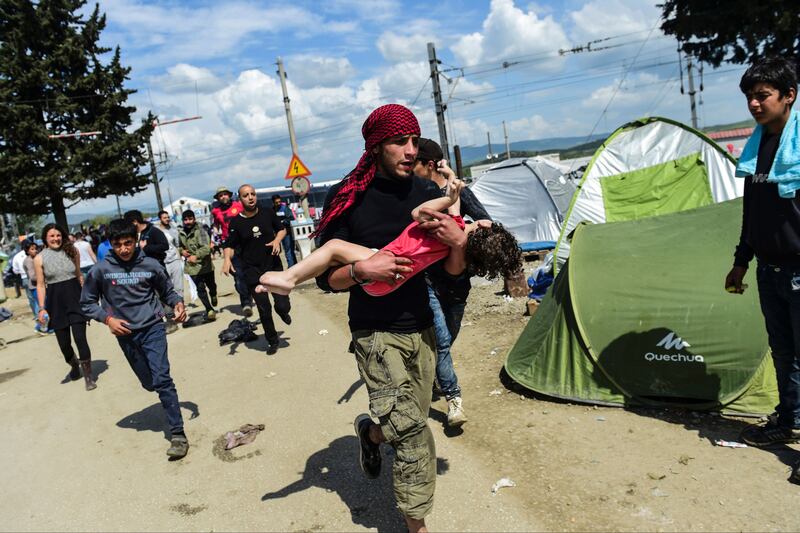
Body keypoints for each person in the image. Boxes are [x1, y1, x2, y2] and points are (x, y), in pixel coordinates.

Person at [314, 104, 469, 533]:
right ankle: (416, 526)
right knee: (414, 434)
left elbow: (450, 273)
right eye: (400, 141)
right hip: (374, 332)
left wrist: (458, 244)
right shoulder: (348, 197)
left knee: (403, 422)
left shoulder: (424, 193)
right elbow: (327, 279)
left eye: (414, 141)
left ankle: (371, 435)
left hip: (421, 328)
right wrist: (364, 270)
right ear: (376, 146)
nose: (410, 149)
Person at [258, 170, 519, 299]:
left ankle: (289, 278)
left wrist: (449, 198)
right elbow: (456, 212)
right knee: (334, 257)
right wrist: (451, 184)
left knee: (334, 247)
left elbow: (419, 213)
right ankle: (277, 283)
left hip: (386, 262)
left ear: (484, 226)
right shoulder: (455, 237)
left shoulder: (447, 229)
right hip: (390, 280)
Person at [725, 57, 800, 448]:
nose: (754, 104)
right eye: (749, 97)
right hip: (770, 270)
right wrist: (741, 261)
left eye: (762, 95)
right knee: (783, 353)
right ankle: (789, 421)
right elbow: (751, 212)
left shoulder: (797, 146)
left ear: (789, 95)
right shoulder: (758, 147)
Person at [80, 219, 189, 459]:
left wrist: (178, 304)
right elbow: (86, 303)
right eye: (118, 244)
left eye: (128, 243)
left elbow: (168, 292)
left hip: (153, 328)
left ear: (136, 240)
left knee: (162, 379)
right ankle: (156, 388)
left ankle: (178, 434)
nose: (124, 249)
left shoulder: (150, 265)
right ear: (110, 244)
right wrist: (108, 319)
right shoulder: (101, 270)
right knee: (149, 383)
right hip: (126, 334)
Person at [414, 138, 495, 428]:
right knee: (443, 340)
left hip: (458, 280)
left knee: (448, 335)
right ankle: (454, 400)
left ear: (430, 165)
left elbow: (487, 223)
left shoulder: (458, 192)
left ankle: (436, 375)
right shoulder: (417, 195)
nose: (409, 167)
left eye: (415, 163)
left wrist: (467, 230)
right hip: (427, 280)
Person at [222, 185, 291, 355]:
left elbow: (282, 230)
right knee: (264, 309)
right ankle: (272, 341)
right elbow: (230, 244)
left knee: (282, 304)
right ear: (240, 199)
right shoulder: (236, 222)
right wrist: (227, 259)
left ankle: (282, 311)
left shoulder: (268, 213)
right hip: (252, 270)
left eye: (252, 194)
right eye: (246, 195)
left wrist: (277, 240)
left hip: (273, 265)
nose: (250, 197)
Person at [34, 224, 97, 391]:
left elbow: (79, 275)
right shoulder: (39, 258)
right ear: (45, 238)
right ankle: (73, 363)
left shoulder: (72, 251)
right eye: (52, 236)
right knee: (64, 344)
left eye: (58, 235)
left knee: (80, 338)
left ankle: (88, 376)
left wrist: (87, 296)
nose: (56, 239)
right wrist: (42, 308)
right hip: (55, 304)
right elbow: (40, 285)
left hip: (75, 299)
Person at [124, 210, 178, 334]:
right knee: (153, 299)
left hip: (157, 271)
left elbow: (164, 246)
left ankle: (171, 321)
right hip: (142, 273)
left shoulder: (153, 231)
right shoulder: (134, 235)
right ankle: (160, 321)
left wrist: (146, 248)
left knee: (163, 295)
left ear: (135, 222)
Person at [212, 186, 254, 316]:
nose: (223, 197)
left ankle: (249, 294)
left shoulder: (239, 205)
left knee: (249, 272)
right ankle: (246, 303)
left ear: (229, 195)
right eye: (220, 195)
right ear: (218, 198)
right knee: (237, 274)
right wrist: (214, 239)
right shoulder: (216, 211)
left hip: (245, 242)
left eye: (225, 194)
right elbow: (216, 226)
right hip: (229, 245)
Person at [179, 209, 218, 321]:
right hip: (191, 267)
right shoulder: (181, 232)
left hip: (205, 265)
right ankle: (209, 309)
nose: (188, 222)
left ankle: (213, 294)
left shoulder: (201, 231)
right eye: (185, 220)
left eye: (190, 219)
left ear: (194, 219)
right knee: (200, 288)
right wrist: (182, 251)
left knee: (211, 285)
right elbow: (180, 246)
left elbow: (206, 248)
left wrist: (196, 256)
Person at [157, 210, 185, 300]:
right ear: (160, 219)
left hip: (175, 260)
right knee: (166, 286)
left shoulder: (174, 230)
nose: (167, 219)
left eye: (168, 217)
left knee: (179, 285)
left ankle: (181, 303)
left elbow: (177, 245)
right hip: (163, 262)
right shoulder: (156, 231)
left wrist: (180, 258)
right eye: (164, 218)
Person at [272, 194, 297, 267]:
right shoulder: (272, 210)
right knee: (281, 251)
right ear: (273, 202)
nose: (278, 204)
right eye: (276, 202)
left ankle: (291, 266)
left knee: (289, 250)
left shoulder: (285, 208)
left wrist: (283, 221)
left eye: (279, 202)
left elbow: (292, 218)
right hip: (277, 233)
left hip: (287, 232)